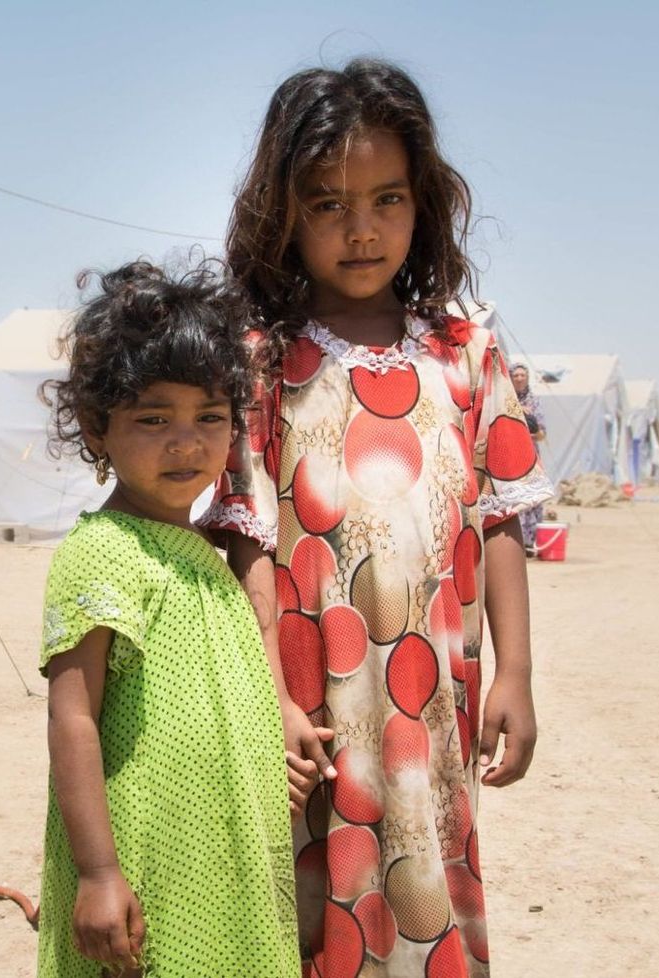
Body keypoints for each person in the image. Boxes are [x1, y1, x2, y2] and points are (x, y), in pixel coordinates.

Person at [200, 60, 554, 977]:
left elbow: (504, 522)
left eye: (387, 198)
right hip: (314, 710)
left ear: (424, 203)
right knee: (319, 906)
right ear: (284, 215)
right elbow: (247, 540)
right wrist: (269, 699)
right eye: (327, 204)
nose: (362, 229)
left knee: (424, 874)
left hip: (430, 696)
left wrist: (513, 672)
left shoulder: (466, 351)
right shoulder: (261, 361)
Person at [36, 260, 322, 977]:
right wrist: (100, 874)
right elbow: (72, 722)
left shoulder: (209, 553)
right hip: (146, 857)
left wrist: (264, 765)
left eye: (210, 418)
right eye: (154, 418)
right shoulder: (102, 554)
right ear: (98, 429)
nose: (186, 443)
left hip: (223, 852)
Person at [510, 363, 546, 555]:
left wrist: (527, 429)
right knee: (516, 496)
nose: (520, 378)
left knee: (534, 497)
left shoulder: (534, 401)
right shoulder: (505, 399)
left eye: (523, 375)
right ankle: (517, 544)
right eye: (515, 375)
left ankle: (532, 541)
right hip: (511, 453)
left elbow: (542, 433)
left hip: (531, 454)